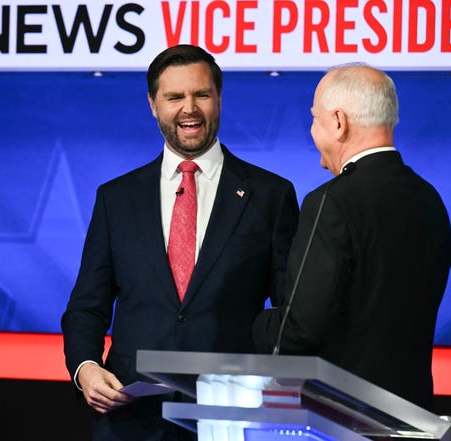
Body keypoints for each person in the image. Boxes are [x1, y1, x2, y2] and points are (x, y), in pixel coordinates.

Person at [61, 44, 299, 440]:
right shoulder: (116, 198)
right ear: (153, 105)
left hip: (231, 416)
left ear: (219, 99)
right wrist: (85, 367)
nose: (189, 108)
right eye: (174, 97)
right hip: (131, 418)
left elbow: (290, 310)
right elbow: (87, 304)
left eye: (201, 94)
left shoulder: (271, 195)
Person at [252, 64, 451, 411]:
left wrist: (252, 323)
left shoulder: (331, 202)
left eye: (315, 119)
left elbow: (300, 330)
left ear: (339, 121)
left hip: (344, 417)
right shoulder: (429, 199)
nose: (313, 131)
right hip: (413, 412)